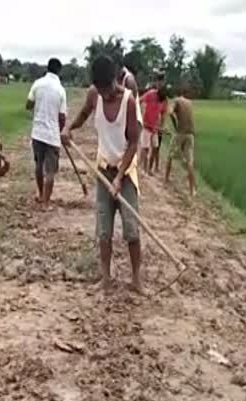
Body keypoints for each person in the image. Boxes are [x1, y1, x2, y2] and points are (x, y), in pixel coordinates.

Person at [62, 55, 142, 293]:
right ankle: (105, 277)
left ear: (115, 82)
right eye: (99, 89)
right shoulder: (94, 94)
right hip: (103, 169)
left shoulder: (128, 101)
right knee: (104, 230)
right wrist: (69, 128)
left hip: (126, 173)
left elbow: (134, 143)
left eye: (106, 89)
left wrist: (119, 177)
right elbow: (85, 113)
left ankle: (136, 279)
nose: (103, 94)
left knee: (132, 229)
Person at [26, 58, 67, 208]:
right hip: (52, 135)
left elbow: (28, 104)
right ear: (59, 71)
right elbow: (62, 116)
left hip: (37, 131)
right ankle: (46, 201)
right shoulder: (61, 90)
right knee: (50, 170)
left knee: (39, 164)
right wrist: (60, 130)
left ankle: (41, 193)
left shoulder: (37, 84)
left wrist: (37, 107)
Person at [165, 88, 196, 197]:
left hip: (180, 133)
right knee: (190, 162)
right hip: (190, 134)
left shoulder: (176, 101)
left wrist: (175, 125)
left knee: (170, 156)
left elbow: (170, 112)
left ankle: (166, 180)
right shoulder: (190, 103)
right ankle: (192, 190)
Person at [139, 82, 168, 175]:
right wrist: (141, 115)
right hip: (146, 126)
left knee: (155, 148)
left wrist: (162, 126)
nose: (160, 101)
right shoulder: (150, 94)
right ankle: (144, 169)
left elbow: (163, 114)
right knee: (146, 148)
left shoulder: (164, 100)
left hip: (154, 128)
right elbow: (140, 101)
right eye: (159, 99)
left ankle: (149, 169)